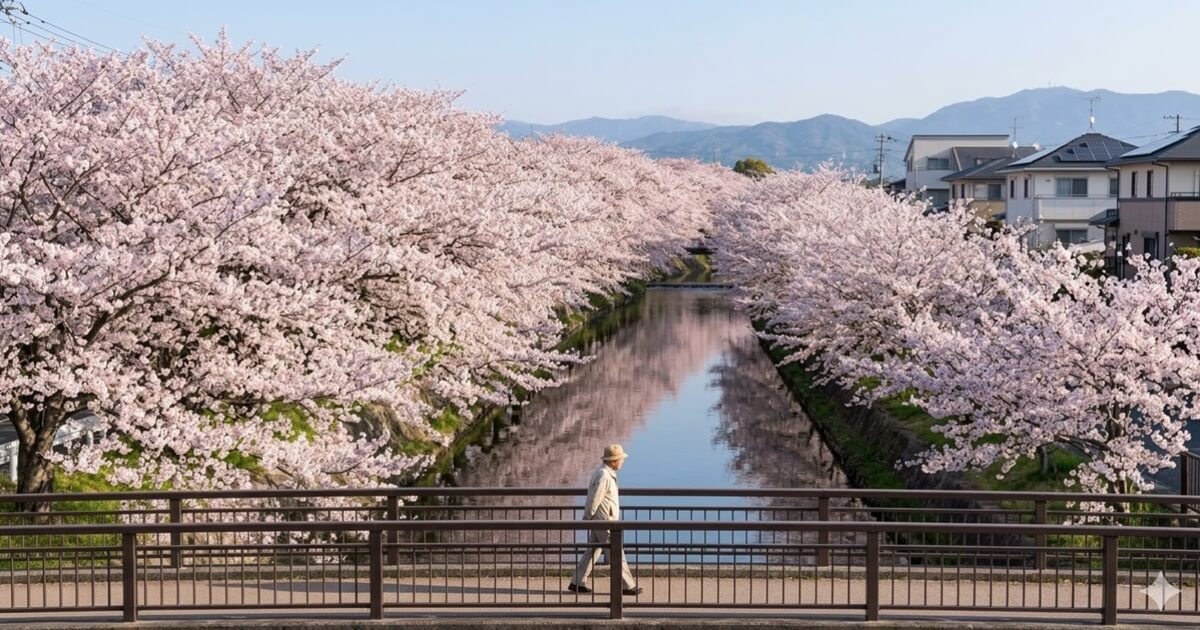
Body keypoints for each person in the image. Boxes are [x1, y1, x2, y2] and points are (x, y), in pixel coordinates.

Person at [567, 443, 642, 595]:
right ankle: (627, 586)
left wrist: (589, 517)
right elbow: (594, 498)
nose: (622, 462)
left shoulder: (602, 472)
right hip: (604, 520)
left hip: (600, 519)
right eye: (621, 459)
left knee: (594, 549)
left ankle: (577, 582)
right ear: (613, 461)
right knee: (616, 550)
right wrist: (587, 516)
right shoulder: (604, 475)